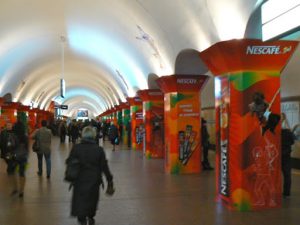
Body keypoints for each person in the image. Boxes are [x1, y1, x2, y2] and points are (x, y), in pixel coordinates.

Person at [66, 126, 114, 225]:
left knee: (80, 201)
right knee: (92, 200)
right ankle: (91, 217)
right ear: (94, 136)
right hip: (94, 181)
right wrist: (109, 180)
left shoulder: (76, 148)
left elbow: (69, 162)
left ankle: (82, 220)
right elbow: (104, 166)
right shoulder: (99, 149)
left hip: (79, 181)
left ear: (82, 135)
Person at [0, 122, 29, 198]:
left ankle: (15, 188)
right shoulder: (25, 136)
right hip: (23, 157)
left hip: (14, 158)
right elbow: (27, 148)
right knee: (22, 173)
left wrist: (7, 155)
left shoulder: (12, 136)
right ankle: (21, 191)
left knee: (10, 172)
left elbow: (9, 147)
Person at [281, 127, 295, 197]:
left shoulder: (275, 132)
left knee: (274, 175)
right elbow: (293, 142)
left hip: (277, 157)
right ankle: (286, 192)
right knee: (287, 175)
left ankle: (274, 191)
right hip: (286, 156)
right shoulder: (288, 132)